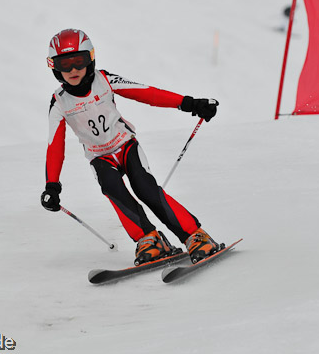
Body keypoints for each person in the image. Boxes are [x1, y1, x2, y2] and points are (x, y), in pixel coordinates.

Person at [40, 28, 220, 265]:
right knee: (113, 189)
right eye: (65, 64)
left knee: (145, 187)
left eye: (78, 61)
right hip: (99, 157)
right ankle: (150, 239)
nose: (73, 70)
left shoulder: (104, 80)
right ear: (54, 67)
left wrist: (187, 103)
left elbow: (146, 93)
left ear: (90, 58)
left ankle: (195, 236)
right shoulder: (59, 101)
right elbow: (55, 145)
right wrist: (52, 185)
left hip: (125, 146)